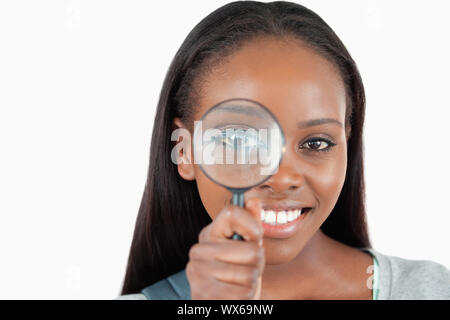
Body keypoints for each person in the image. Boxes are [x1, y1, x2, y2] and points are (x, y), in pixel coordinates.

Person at [116, 1, 450, 300]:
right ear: (185, 149)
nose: (281, 178)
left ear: (347, 142)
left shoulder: (431, 289)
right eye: (240, 142)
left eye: (316, 143)